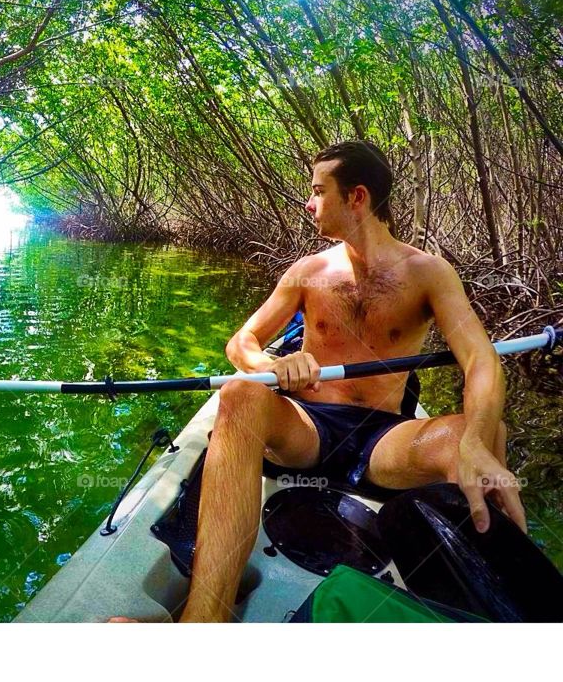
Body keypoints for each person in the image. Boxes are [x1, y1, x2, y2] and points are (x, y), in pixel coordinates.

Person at [111, 140, 525, 623]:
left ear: (357, 198)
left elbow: (480, 360)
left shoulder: (428, 272)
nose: (309, 204)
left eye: (318, 191)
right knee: (241, 392)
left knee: (482, 435)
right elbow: (241, 341)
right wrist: (269, 364)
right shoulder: (308, 270)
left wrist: (474, 440)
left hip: (384, 439)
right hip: (308, 426)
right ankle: (205, 620)